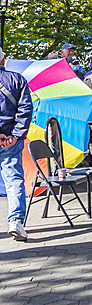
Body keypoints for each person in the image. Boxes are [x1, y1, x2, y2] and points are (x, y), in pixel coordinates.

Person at [0, 47, 33, 241]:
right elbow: (25, 109)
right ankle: (16, 222)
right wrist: (15, 135)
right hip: (11, 141)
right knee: (13, 180)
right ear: (4, 61)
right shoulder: (17, 80)